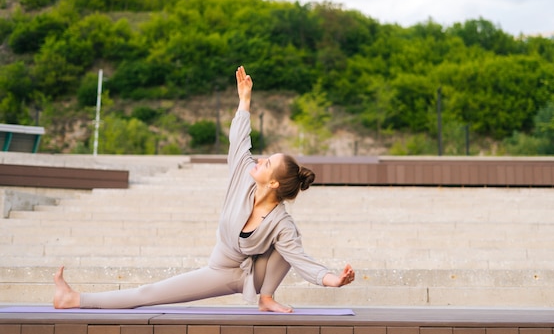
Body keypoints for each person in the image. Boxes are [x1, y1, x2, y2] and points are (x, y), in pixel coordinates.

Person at [53, 65, 355, 312]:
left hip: (255, 274)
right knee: (151, 293)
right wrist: (244, 101)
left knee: (287, 244)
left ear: (274, 183)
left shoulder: (282, 223)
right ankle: (75, 299)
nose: (261, 159)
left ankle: (265, 298)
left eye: (267, 163)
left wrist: (333, 279)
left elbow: (302, 261)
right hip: (222, 270)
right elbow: (240, 140)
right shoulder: (243, 177)